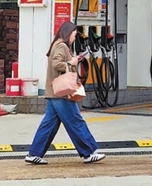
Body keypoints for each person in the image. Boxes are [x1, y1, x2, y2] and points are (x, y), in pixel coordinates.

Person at [25, 21, 105, 165]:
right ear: (68, 33)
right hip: (62, 93)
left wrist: (74, 60)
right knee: (76, 121)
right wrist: (71, 63)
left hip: (54, 92)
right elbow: (57, 64)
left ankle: (34, 153)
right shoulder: (61, 46)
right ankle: (89, 152)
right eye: (74, 34)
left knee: (49, 125)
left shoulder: (57, 45)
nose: (75, 38)